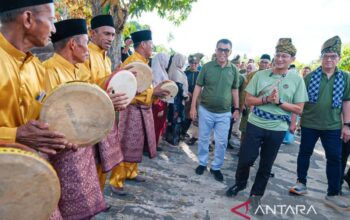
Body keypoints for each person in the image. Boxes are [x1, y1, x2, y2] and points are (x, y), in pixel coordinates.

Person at [226, 38, 308, 214]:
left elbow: (299, 109)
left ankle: (255, 197)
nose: (280, 59)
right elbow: (248, 100)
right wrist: (266, 100)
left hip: (277, 128)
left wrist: (279, 102)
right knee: (245, 159)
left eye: (284, 56)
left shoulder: (297, 80)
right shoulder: (260, 75)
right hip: (256, 123)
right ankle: (240, 183)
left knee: (266, 165)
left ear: (292, 59)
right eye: (277, 55)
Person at [44, 18, 108, 219]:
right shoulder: (49, 70)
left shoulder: (80, 70)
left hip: (82, 145)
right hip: (62, 150)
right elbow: (50, 117)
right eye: (86, 42)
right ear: (73, 44)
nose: (89, 49)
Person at [289, 36, 350, 211]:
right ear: (321, 57)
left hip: (332, 126)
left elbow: (347, 101)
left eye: (333, 56)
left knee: (335, 159)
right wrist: (294, 123)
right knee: (304, 154)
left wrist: (347, 125)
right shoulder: (309, 77)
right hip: (309, 124)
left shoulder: (345, 77)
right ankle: (301, 183)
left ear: (338, 58)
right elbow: (298, 101)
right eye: (326, 56)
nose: (329, 59)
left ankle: (332, 193)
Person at [109, 30, 169, 195]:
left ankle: (131, 172)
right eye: (151, 44)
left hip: (142, 109)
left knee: (136, 143)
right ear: (143, 44)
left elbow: (144, 87)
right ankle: (116, 180)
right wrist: (153, 93)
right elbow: (127, 89)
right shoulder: (132, 63)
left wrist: (154, 93)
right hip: (130, 110)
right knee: (124, 143)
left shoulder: (143, 61)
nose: (152, 47)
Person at [84, 14, 129, 190]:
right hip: (90, 117)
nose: (110, 38)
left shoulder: (106, 58)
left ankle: (98, 197)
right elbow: (85, 87)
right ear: (93, 33)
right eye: (106, 34)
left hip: (105, 117)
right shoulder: (85, 54)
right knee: (91, 164)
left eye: (112, 35)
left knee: (102, 163)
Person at [190, 39, 240, 182]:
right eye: (220, 49)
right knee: (204, 138)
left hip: (224, 113)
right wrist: (193, 107)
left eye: (226, 50)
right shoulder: (207, 67)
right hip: (206, 110)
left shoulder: (234, 70)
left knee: (222, 141)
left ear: (230, 52)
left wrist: (236, 108)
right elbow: (198, 87)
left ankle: (216, 167)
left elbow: (235, 90)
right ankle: (202, 163)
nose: (222, 53)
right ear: (216, 50)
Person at [238, 54, 271, 146]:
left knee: (258, 130)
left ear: (269, 64)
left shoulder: (272, 76)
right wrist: (243, 104)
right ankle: (242, 148)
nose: (263, 64)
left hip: (263, 107)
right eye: (262, 62)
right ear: (258, 63)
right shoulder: (252, 75)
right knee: (244, 129)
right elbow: (245, 90)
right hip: (248, 105)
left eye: (266, 62)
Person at [165, 53, 188, 145]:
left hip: (172, 101)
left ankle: (169, 137)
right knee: (176, 120)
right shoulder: (177, 73)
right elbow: (179, 90)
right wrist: (186, 96)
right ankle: (174, 139)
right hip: (177, 102)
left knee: (172, 119)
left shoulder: (173, 70)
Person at [151, 52, 170, 150]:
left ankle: (154, 144)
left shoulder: (162, 71)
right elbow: (157, 89)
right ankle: (150, 146)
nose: (167, 62)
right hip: (158, 102)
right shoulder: (156, 72)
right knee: (155, 123)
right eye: (165, 59)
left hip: (162, 101)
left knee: (159, 124)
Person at [183, 55, 200, 145]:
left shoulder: (200, 74)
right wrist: (187, 92)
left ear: (198, 64)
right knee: (186, 116)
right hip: (187, 97)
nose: (193, 65)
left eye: (195, 63)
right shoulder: (185, 73)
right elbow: (182, 84)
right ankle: (183, 132)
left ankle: (194, 136)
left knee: (195, 117)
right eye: (192, 63)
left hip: (197, 99)